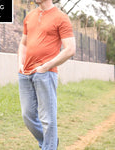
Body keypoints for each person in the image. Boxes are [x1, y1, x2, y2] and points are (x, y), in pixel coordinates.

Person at [18, 0, 76, 149]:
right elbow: (23, 43)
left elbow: (70, 49)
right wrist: (20, 63)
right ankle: (50, 142)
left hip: (46, 73)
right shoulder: (29, 16)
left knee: (48, 120)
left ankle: (49, 146)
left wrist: (46, 66)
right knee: (27, 116)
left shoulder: (61, 17)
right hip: (25, 74)